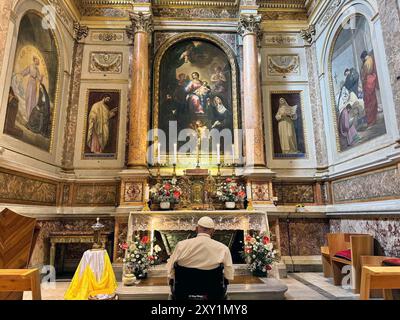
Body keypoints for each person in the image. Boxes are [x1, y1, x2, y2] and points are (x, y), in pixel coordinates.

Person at [166, 216, 234, 282]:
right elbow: (229, 275)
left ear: (196, 229)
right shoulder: (223, 249)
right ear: (213, 231)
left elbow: (170, 268)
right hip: (213, 290)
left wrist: (174, 278)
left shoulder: (181, 245)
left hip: (183, 289)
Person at [360, 51, 379, 126]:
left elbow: (366, 73)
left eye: (362, 59)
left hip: (368, 82)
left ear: (363, 57)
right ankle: (373, 119)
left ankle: (371, 120)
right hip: (370, 81)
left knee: (369, 102)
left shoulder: (367, 62)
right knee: (372, 100)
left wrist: (363, 78)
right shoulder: (370, 59)